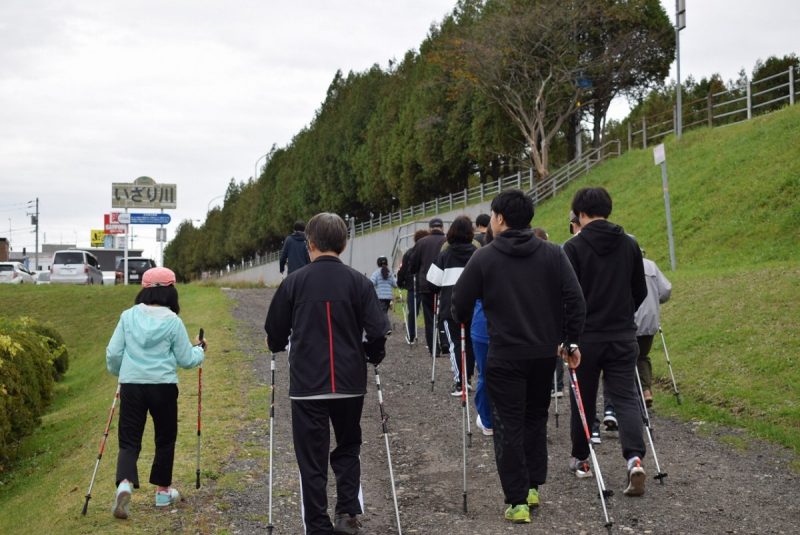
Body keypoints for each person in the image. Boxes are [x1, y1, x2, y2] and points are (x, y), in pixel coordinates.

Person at [453, 189, 585, 524]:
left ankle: (517, 501)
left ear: (498, 218)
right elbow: (575, 299)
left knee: (508, 423)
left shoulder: (485, 257)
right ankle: (531, 486)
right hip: (543, 353)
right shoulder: (553, 253)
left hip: (505, 354)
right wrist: (569, 340)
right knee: (534, 418)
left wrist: (464, 314)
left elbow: (459, 305)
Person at [265, 212, 388, 535]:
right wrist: (373, 354)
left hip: (307, 385)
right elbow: (377, 330)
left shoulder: (294, 282)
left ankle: (317, 525)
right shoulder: (359, 282)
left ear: (310, 245)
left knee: (312, 457)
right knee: (348, 446)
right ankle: (347, 513)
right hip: (349, 382)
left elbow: (274, 332)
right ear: (344, 244)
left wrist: (276, 343)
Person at [563, 187, 648, 497]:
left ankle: (583, 460)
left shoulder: (572, 248)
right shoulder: (629, 245)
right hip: (623, 335)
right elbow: (639, 290)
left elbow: (568, 298)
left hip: (585, 338)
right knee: (625, 398)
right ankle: (634, 459)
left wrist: (568, 335)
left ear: (581, 214)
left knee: (582, 400)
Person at [106, 267, 206, 520]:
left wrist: (121, 372)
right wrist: (200, 351)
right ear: (171, 291)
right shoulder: (173, 321)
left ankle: (125, 484)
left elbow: (113, 353)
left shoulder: (127, 316)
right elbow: (185, 359)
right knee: (165, 437)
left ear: (144, 289)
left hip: (132, 385)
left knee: (129, 438)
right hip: (163, 385)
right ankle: (162, 491)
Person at [426, 215, 477, 396]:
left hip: (450, 307)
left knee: (456, 344)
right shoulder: (477, 253)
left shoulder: (444, 255)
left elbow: (431, 283)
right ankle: (468, 377)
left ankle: (460, 382)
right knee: (471, 343)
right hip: (474, 306)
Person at [635, 250, 672, 407]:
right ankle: (646, 391)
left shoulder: (620, 265)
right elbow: (665, 291)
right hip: (649, 321)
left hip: (628, 321)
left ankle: (632, 395)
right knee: (642, 356)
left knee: (624, 359)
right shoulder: (651, 266)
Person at [408, 218, 447, 356]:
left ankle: (433, 348)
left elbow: (413, 264)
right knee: (444, 314)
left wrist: (415, 271)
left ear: (430, 228)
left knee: (429, 317)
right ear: (442, 227)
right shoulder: (448, 241)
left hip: (426, 284)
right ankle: (445, 342)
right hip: (445, 283)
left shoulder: (421, 243)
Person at [470, 225, 492, 436]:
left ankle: (487, 420)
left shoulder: (481, 258)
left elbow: (462, 296)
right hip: (520, 328)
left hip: (483, 326)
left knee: (485, 374)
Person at [396, 229, 429, 344]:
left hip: (412, 287)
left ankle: (411, 336)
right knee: (428, 312)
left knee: (413, 312)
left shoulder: (409, 253)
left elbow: (403, 270)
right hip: (427, 286)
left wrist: (400, 282)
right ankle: (431, 338)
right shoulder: (429, 252)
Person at [370, 255, 397, 332]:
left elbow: (371, 283)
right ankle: (383, 327)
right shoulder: (389, 273)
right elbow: (395, 284)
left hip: (380, 297)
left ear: (378, 263)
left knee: (382, 313)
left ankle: (387, 328)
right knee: (384, 312)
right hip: (388, 297)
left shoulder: (376, 273)